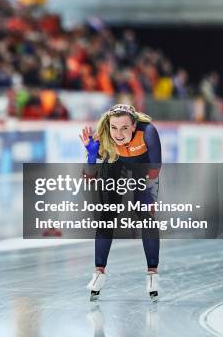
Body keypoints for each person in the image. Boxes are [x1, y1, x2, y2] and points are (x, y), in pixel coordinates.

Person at [79, 103, 162, 301]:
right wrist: (91, 155)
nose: (118, 133)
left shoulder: (148, 132)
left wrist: (147, 197)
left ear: (134, 126)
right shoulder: (104, 136)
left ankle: (152, 273)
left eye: (124, 128)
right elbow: (89, 177)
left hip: (144, 169)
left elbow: (155, 169)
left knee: (146, 216)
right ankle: (98, 272)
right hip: (115, 165)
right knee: (106, 216)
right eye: (114, 127)